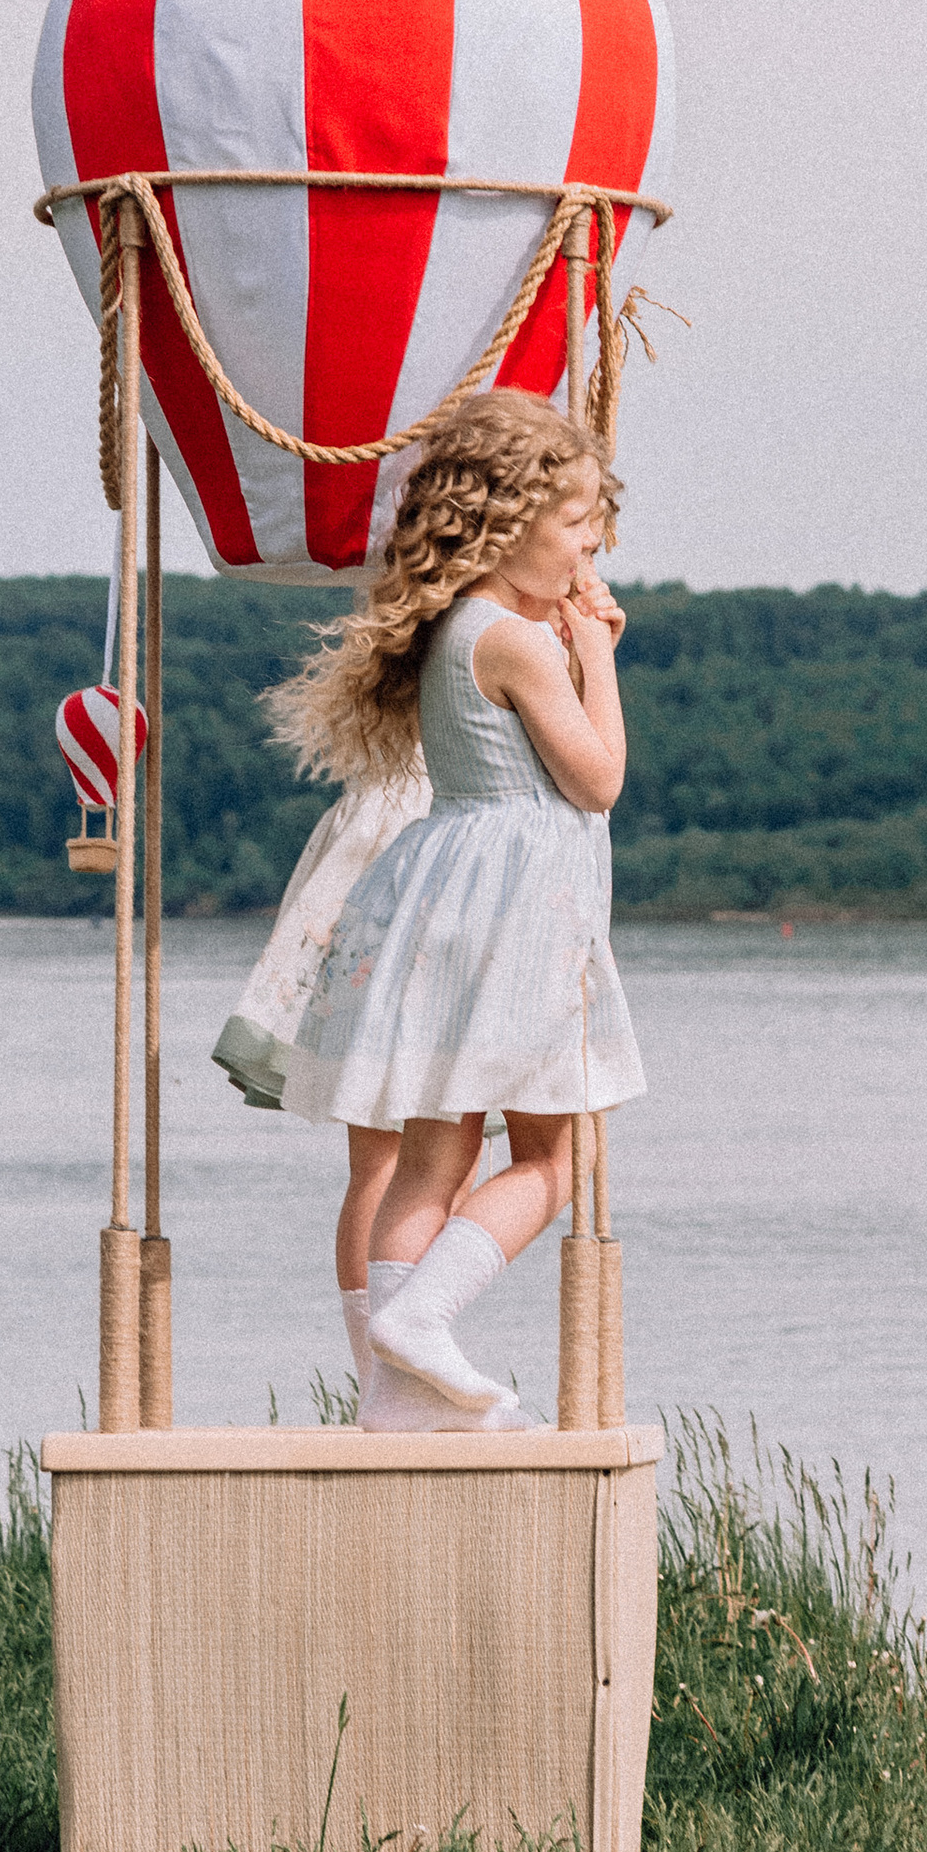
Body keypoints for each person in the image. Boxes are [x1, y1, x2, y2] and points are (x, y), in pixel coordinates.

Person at [268, 394, 643, 1431]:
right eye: (575, 523)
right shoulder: (515, 642)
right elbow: (597, 779)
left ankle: (396, 1396)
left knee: (436, 1157)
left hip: (451, 895)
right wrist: (600, 655)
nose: (592, 542)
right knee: (556, 1158)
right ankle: (424, 1319)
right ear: (509, 520)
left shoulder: (456, 625)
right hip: (518, 912)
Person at [209, 766, 439, 1408]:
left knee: (393, 1160)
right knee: (410, 1157)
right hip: (428, 834)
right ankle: (392, 1369)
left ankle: (388, 1371)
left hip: (391, 830)